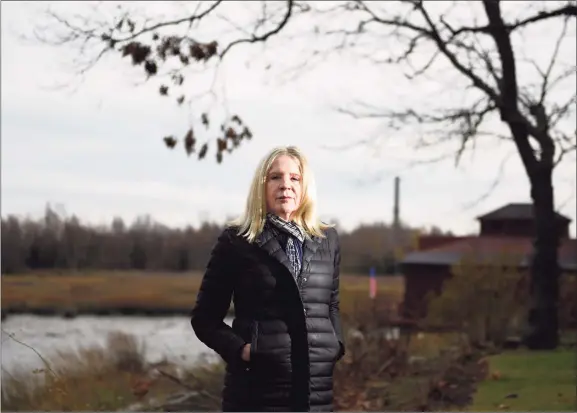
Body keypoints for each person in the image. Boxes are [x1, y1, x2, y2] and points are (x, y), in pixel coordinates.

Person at [190, 146, 345, 412]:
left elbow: (330, 304)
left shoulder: (327, 240)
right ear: (261, 186)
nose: (286, 185)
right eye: (275, 177)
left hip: (316, 391)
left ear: (305, 186)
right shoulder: (236, 241)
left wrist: (335, 345)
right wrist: (244, 352)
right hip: (256, 392)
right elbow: (205, 319)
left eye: (294, 178)